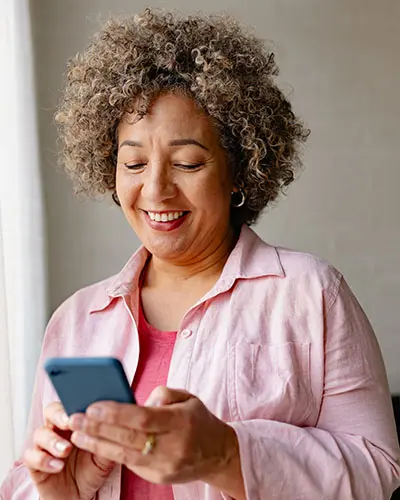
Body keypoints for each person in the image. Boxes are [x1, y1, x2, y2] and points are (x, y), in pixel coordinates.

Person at [1, 8, 399, 500]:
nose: (155, 189)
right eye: (134, 162)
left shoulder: (312, 295)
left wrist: (226, 453)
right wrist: (60, 492)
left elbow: (377, 471)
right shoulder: (77, 320)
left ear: (237, 171)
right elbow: (27, 478)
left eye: (187, 162)